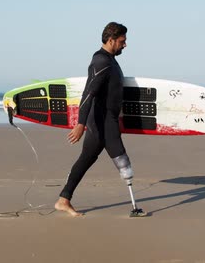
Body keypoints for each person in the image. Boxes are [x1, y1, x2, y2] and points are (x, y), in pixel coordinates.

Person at [55, 22, 143, 217]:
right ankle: (135, 208)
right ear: (111, 40)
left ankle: (63, 200)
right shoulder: (101, 62)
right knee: (122, 160)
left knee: (86, 159)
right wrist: (80, 123)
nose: (125, 45)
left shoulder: (110, 60)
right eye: (122, 41)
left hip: (107, 119)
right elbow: (88, 93)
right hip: (101, 120)